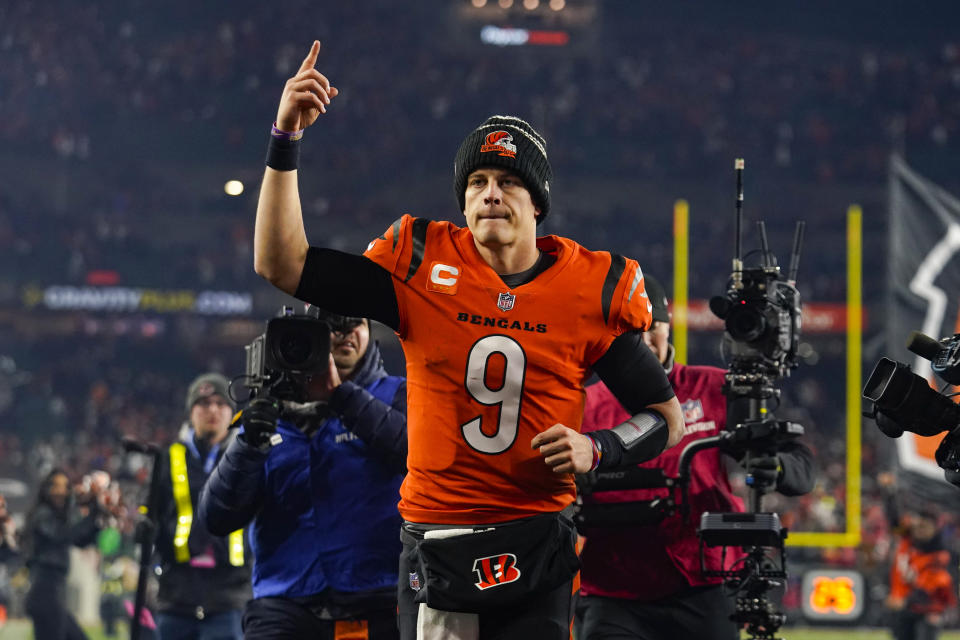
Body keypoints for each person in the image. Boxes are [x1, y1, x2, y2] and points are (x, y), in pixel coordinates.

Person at [253, 41, 685, 639]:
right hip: (439, 535)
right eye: (477, 180)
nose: (490, 194)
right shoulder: (423, 267)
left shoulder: (588, 288)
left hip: (536, 533)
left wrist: (598, 448)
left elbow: (665, 416)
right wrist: (284, 141)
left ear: (538, 203)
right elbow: (282, 262)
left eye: (508, 181)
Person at [576, 275, 816, 640]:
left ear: (668, 327)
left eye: (652, 328)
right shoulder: (585, 404)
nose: (643, 340)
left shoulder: (714, 388)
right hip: (614, 590)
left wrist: (775, 466)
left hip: (701, 581)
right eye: (630, 331)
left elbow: (798, 462)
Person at [198, 309, 407, 639]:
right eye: (333, 322)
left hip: (375, 601)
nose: (345, 331)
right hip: (283, 606)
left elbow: (416, 456)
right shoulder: (268, 415)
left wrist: (341, 396)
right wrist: (248, 445)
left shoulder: (398, 395)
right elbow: (217, 517)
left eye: (355, 321)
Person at [152, 373, 251, 640]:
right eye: (204, 403)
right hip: (177, 594)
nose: (213, 411)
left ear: (232, 412)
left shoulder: (249, 456)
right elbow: (152, 514)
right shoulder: (168, 457)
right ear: (190, 412)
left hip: (230, 594)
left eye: (220, 404)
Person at [23, 468, 103, 640]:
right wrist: (91, 514)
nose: (61, 491)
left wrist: (96, 514)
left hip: (53, 594)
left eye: (65, 487)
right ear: (46, 489)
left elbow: (80, 540)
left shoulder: (58, 517)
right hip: (45, 592)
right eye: (56, 486)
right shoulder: (42, 514)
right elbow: (65, 535)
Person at [879, 474, 956, 640]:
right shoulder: (909, 538)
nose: (920, 529)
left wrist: (903, 601)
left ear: (935, 529)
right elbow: (894, 521)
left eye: (925, 526)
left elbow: (931, 590)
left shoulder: (939, 555)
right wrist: (890, 491)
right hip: (904, 606)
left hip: (926, 608)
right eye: (918, 525)